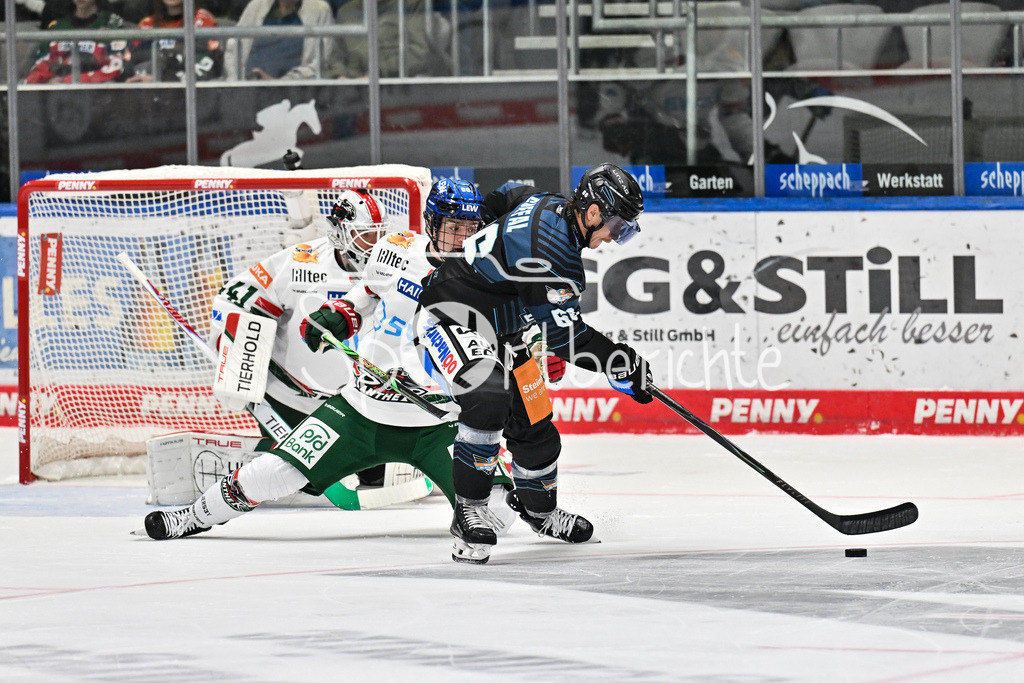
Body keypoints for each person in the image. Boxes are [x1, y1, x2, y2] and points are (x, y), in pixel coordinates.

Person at [141, 179, 513, 541]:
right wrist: (342, 312)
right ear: (431, 222)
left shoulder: (490, 275)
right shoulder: (396, 250)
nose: (462, 236)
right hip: (362, 408)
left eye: (469, 226)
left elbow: (503, 336)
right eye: (453, 226)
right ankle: (192, 517)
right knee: (272, 473)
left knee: (497, 516)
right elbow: (367, 292)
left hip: (438, 421)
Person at [414, 163, 654, 564]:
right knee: (488, 397)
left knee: (536, 426)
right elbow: (565, 338)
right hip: (452, 314)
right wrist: (621, 361)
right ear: (593, 212)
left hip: (503, 329)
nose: (616, 236)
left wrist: (480, 248)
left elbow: (506, 194)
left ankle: (539, 512)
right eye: (617, 224)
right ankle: (469, 511)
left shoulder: (547, 202)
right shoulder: (554, 253)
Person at [222, 0, 335, 80]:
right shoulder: (256, 6)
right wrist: (240, 81)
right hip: (248, 89)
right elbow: (233, 49)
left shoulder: (320, 9)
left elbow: (320, 63)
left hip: (293, 94)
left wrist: (279, 85)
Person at [24, 0, 129, 84]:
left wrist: (71, 81)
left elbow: (118, 66)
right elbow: (40, 67)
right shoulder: (56, 27)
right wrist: (48, 81)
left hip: (98, 95)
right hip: (58, 96)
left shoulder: (112, 23)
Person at [125, 0, 222, 82]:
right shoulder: (146, 24)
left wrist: (162, 79)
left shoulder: (203, 20)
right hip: (148, 95)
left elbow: (208, 62)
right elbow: (132, 61)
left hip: (188, 93)